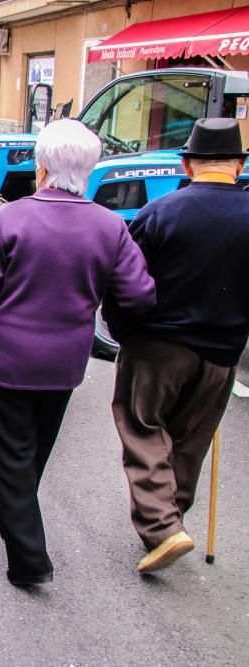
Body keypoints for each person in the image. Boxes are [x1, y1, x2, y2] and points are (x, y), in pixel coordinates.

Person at [0, 119, 155, 588]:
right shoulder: (109, 226)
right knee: (34, 452)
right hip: (65, 363)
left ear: (42, 167)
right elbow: (140, 295)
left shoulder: (10, 218)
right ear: (89, 168)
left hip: (7, 361)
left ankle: (28, 561)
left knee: (13, 457)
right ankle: (19, 517)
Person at [105, 117, 249, 574]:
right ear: (238, 166)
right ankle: (172, 522)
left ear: (187, 163)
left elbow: (126, 283)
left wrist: (120, 329)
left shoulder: (161, 213)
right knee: (190, 441)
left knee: (143, 428)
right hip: (222, 352)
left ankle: (164, 529)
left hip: (157, 344)